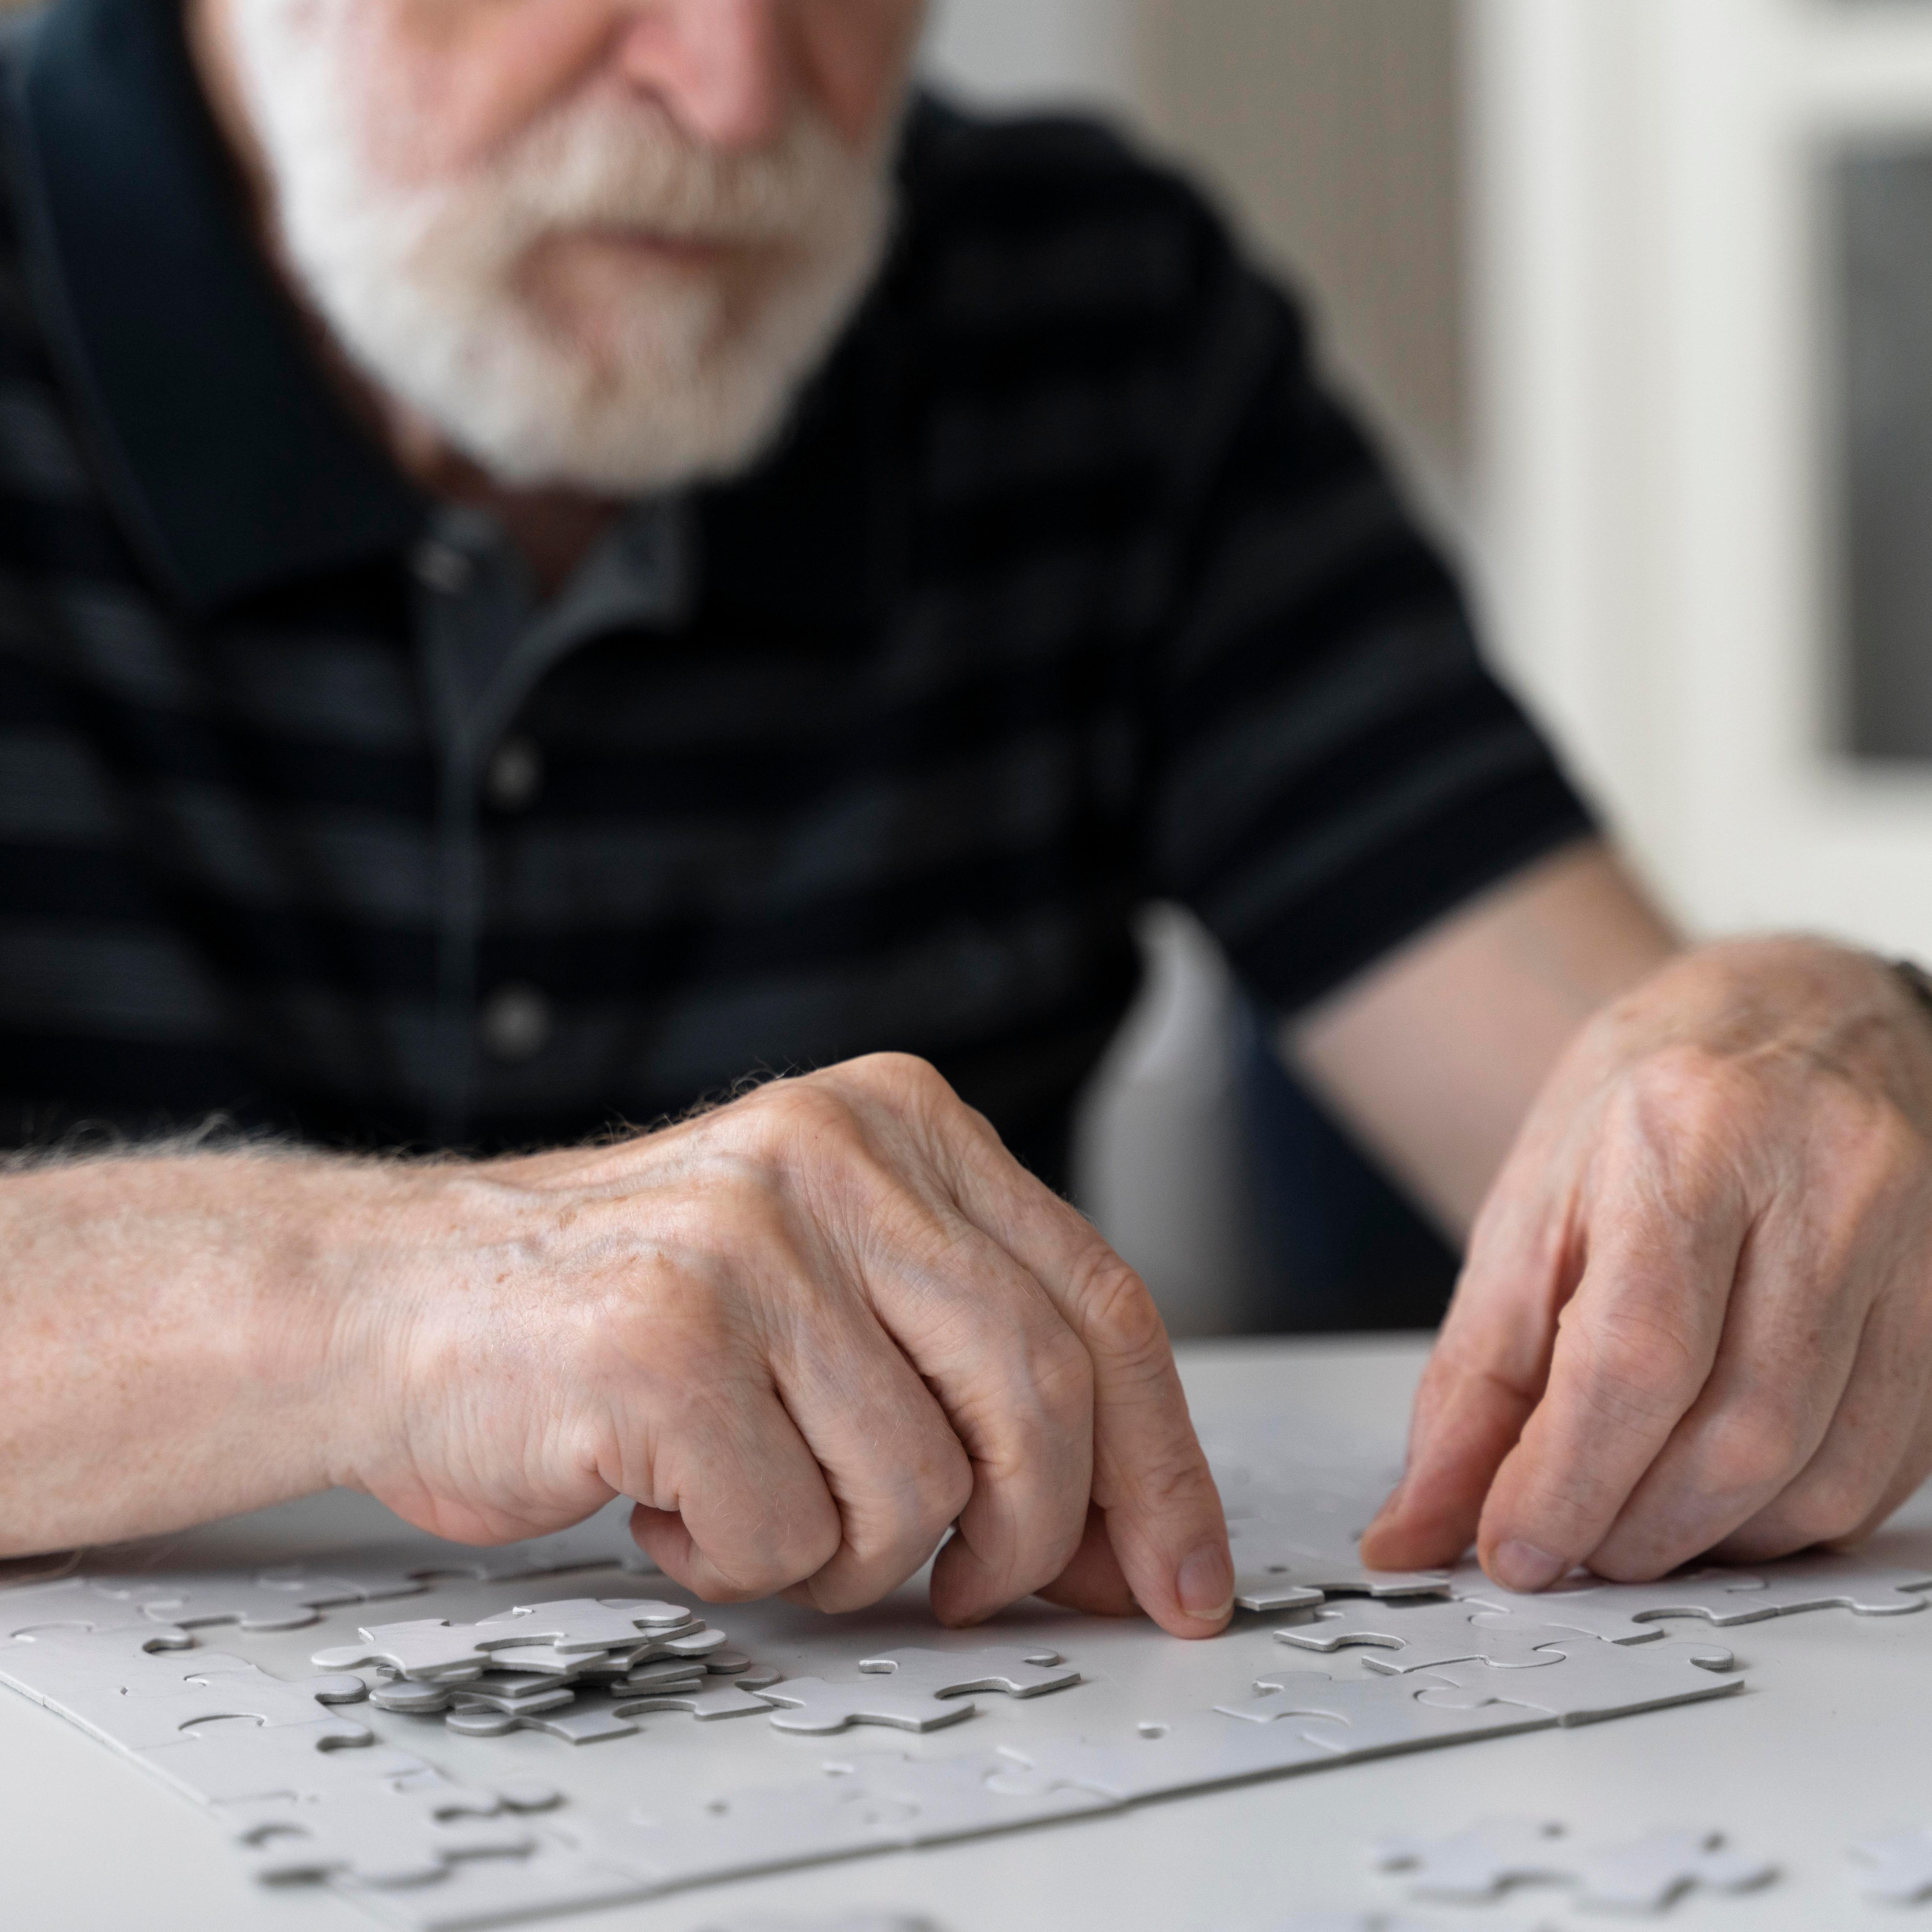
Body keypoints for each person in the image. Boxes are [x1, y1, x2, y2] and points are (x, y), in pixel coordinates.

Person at [6, 0, 1932, 1644]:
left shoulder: (1087, 317)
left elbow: (1637, 1160)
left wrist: (1824, 1058)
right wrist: (402, 1297)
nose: (736, 94)